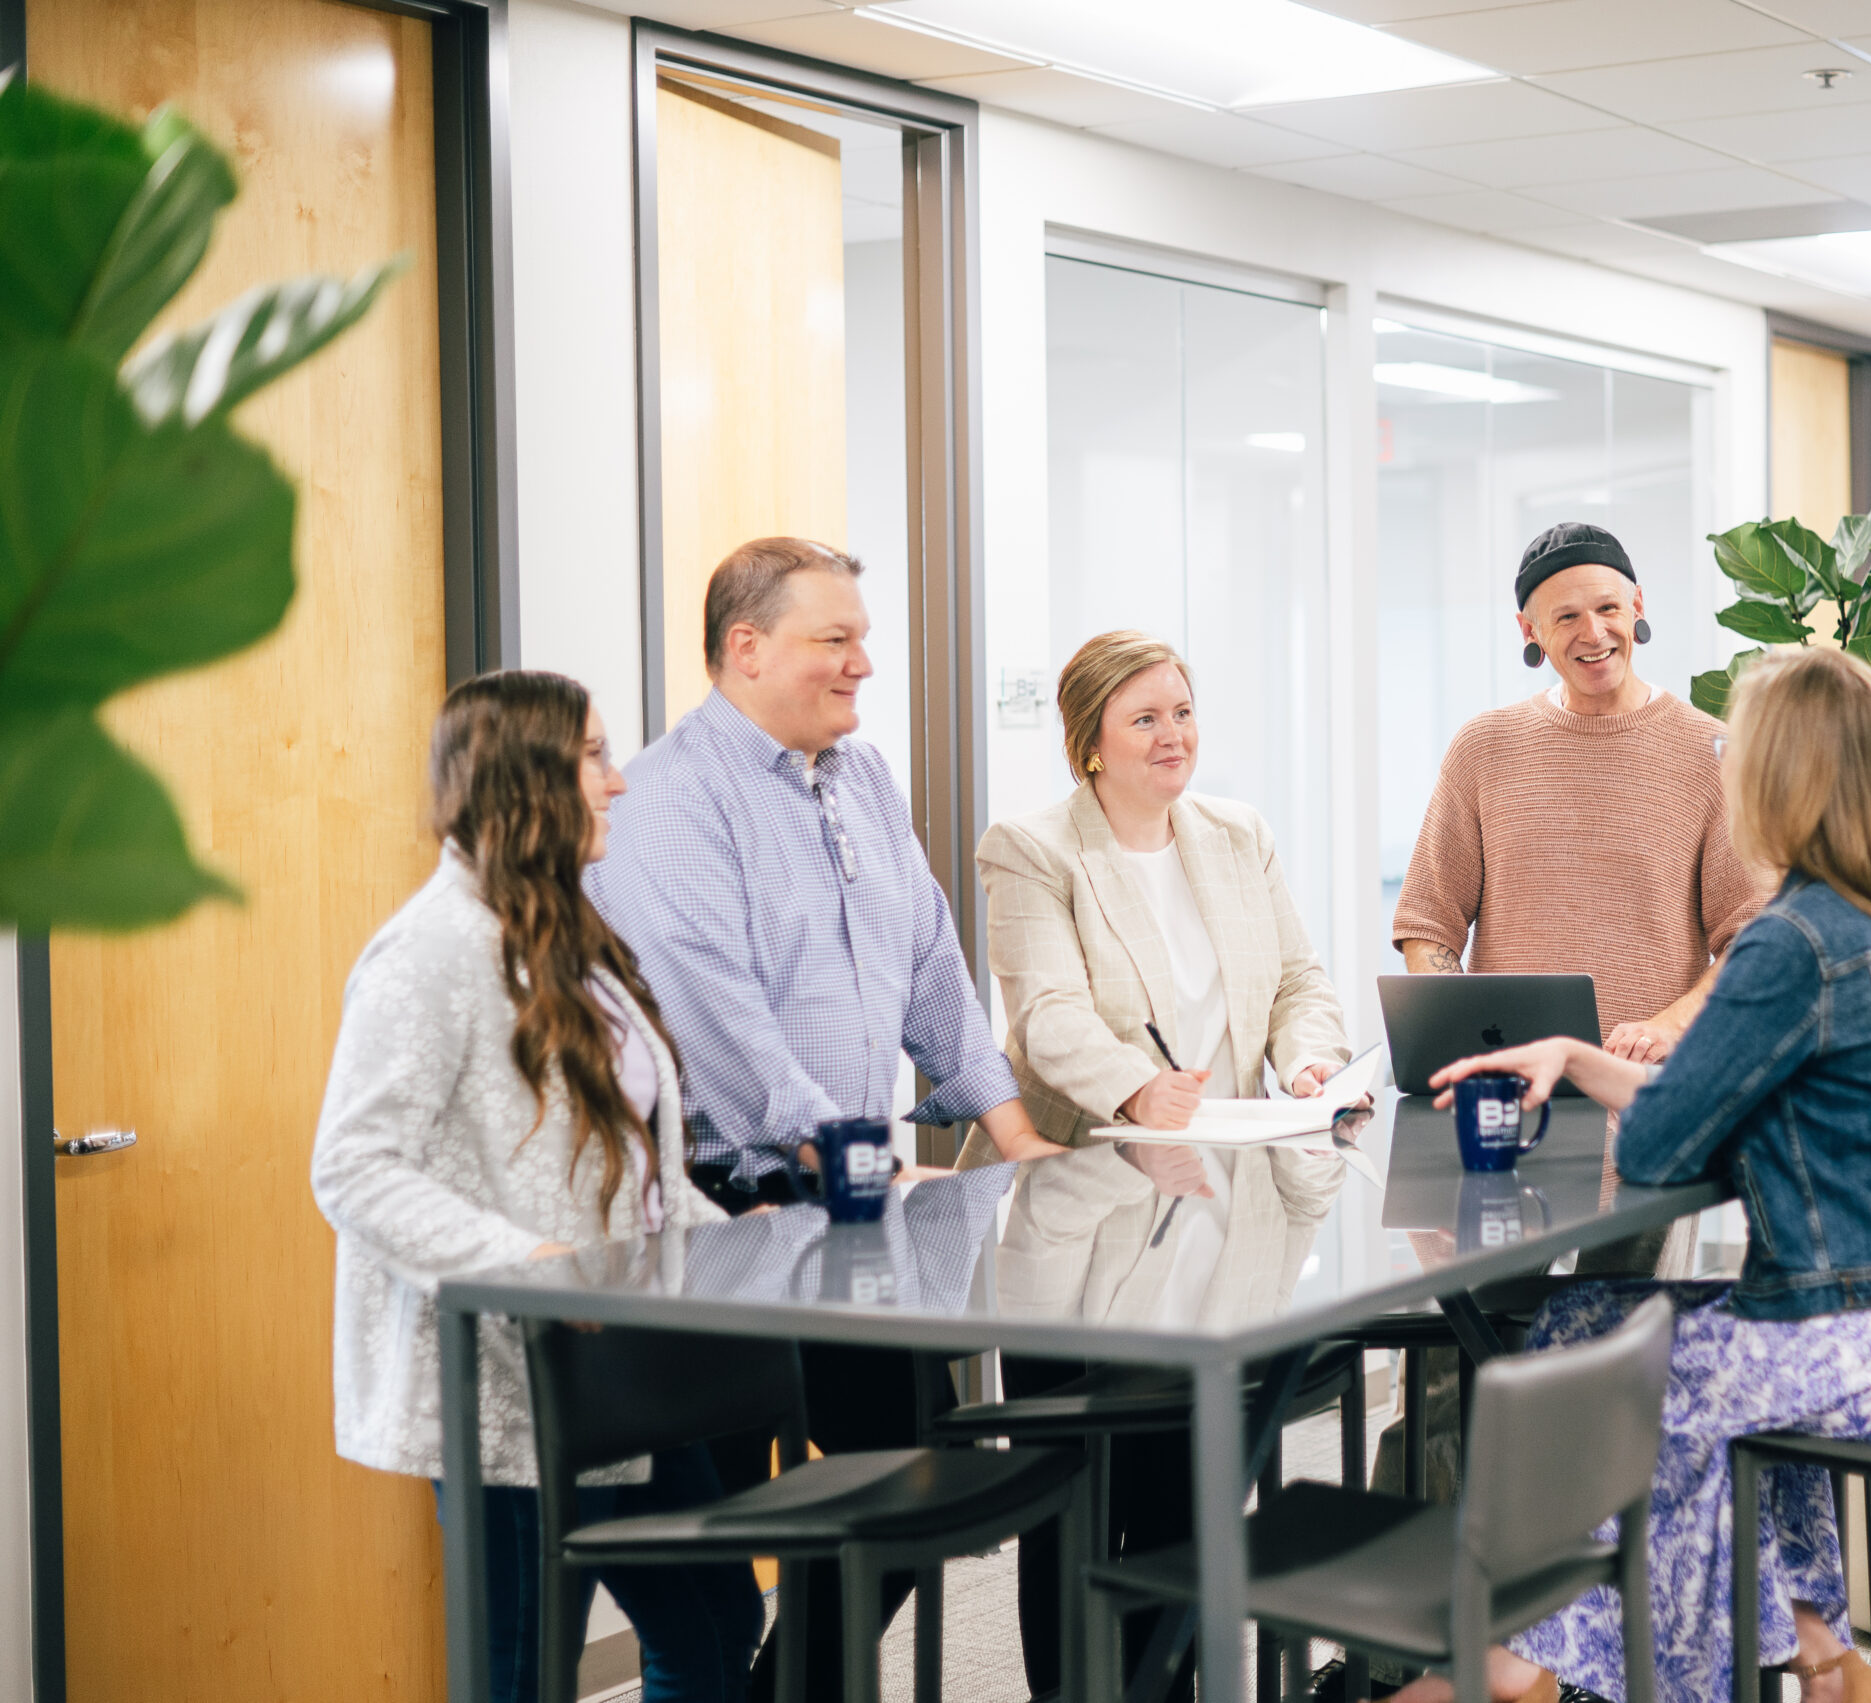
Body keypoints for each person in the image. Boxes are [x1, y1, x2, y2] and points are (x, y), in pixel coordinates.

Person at [1421, 647, 1871, 1703]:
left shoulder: (1788, 941)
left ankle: (1545, 1662)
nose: (1724, 767)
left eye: (1740, 750)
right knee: (1624, 1328)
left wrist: (1613, 1084)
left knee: (1606, 1366)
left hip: (1867, 1339)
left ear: (1784, 779)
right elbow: (1721, 1088)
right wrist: (1577, 1056)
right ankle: (1820, 1652)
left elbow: (1655, 1149)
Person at [587, 536, 1064, 1702]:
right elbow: (722, 1026)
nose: (863, 664)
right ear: (744, 648)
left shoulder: (861, 774)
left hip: (857, 1212)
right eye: (834, 639)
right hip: (733, 1206)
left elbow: (929, 961)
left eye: (864, 637)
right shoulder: (667, 800)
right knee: (755, 1544)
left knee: (899, 1493)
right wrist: (862, 1162)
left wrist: (1016, 1141)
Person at [312, 671, 761, 1703]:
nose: (618, 782)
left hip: (619, 1363)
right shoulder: (428, 951)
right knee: (519, 1667)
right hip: (505, 1380)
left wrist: (725, 1229)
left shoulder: (567, 933)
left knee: (717, 1616)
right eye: (595, 757)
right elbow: (354, 1162)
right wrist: (525, 1262)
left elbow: (620, 1152)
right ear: (525, 781)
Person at [972, 629, 1351, 1698]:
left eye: (1182, 710)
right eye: (1144, 717)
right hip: (1083, 1214)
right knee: (1079, 1509)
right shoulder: (1032, 846)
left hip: (1219, 1214)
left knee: (1186, 1507)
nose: (1172, 734)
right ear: (1088, 744)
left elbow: (1295, 979)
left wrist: (1308, 1055)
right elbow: (1043, 1014)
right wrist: (1141, 1091)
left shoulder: (1236, 834)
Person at [1392, 521, 1764, 1064]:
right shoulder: (1483, 749)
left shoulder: (1714, 754)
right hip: (1513, 1102)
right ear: (1529, 631)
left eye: (1608, 608)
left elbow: (1755, 938)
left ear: (1637, 605)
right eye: (1566, 617)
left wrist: (1668, 1027)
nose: (1593, 634)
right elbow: (1428, 925)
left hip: (1656, 1098)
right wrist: (1471, 1035)